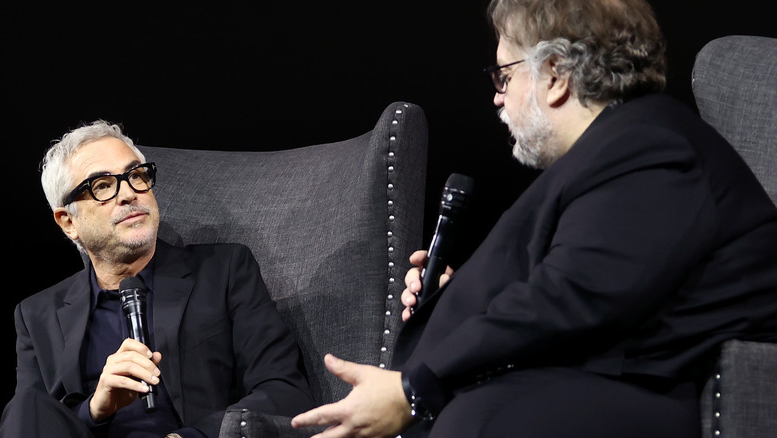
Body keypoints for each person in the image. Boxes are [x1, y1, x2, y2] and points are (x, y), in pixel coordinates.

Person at [290, 0, 777, 437]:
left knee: (482, 419)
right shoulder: (611, 155)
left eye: (503, 75)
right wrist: (454, 297)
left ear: (556, 74)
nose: (497, 97)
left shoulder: (648, 147)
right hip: (606, 377)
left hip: (662, 391)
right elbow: (594, 282)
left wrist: (413, 390)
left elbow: (574, 296)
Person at [0, 121, 316, 437]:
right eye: (102, 186)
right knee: (25, 405)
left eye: (135, 175)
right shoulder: (36, 314)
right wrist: (96, 408)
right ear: (68, 222)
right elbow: (30, 424)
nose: (128, 194)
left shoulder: (223, 271)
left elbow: (284, 391)